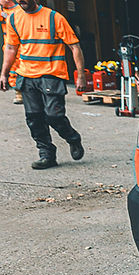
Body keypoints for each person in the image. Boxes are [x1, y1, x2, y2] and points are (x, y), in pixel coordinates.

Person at [1, 0, 85, 169]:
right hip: (26, 75)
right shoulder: (13, 19)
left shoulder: (54, 18)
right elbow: (11, 47)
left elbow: (74, 47)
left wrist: (81, 75)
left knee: (54, 115)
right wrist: (4, 73)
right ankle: (46, 154)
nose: (21, 0)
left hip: (52, 74)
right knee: (34, 118)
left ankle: (73, 138)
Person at [0, 0, 22, 104]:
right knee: (12, 69)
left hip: (20, 44)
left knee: (21, 68)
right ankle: (18, 92)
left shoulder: (19, 10)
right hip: (8, 44)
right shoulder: (1, 10)